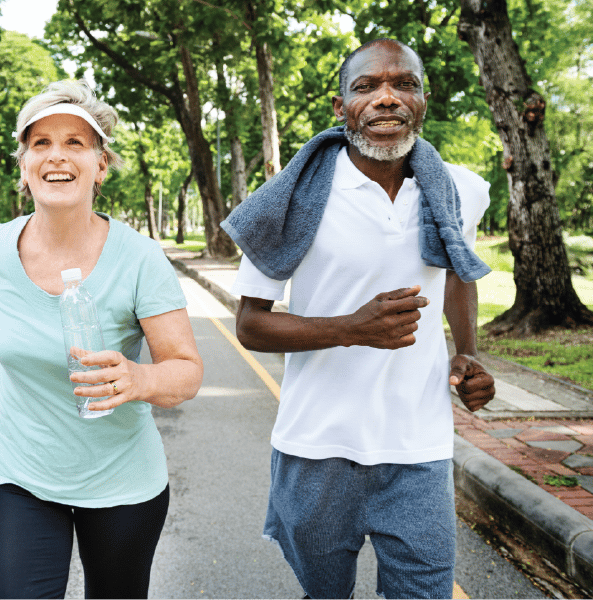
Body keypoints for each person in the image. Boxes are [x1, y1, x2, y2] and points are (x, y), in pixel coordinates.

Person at [221, 39, 496, 600]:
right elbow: (249, 325)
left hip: (418, 448)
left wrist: (466, 353)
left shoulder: (461, 190)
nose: (387, 98)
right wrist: (351, 329)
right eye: (367, 86)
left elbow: (458, 272)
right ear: (340, 105)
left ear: (423, 98)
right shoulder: (290, 199)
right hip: (317, 449)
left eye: (404, 84)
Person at [0, 80, 204, 600]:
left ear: (100, 164)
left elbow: (186, 371)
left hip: (121, 481)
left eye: (74, 143)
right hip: (16, 471)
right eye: (40, 143)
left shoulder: (139, 259)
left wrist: (138, 377)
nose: (56, 156)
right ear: (23, 164)